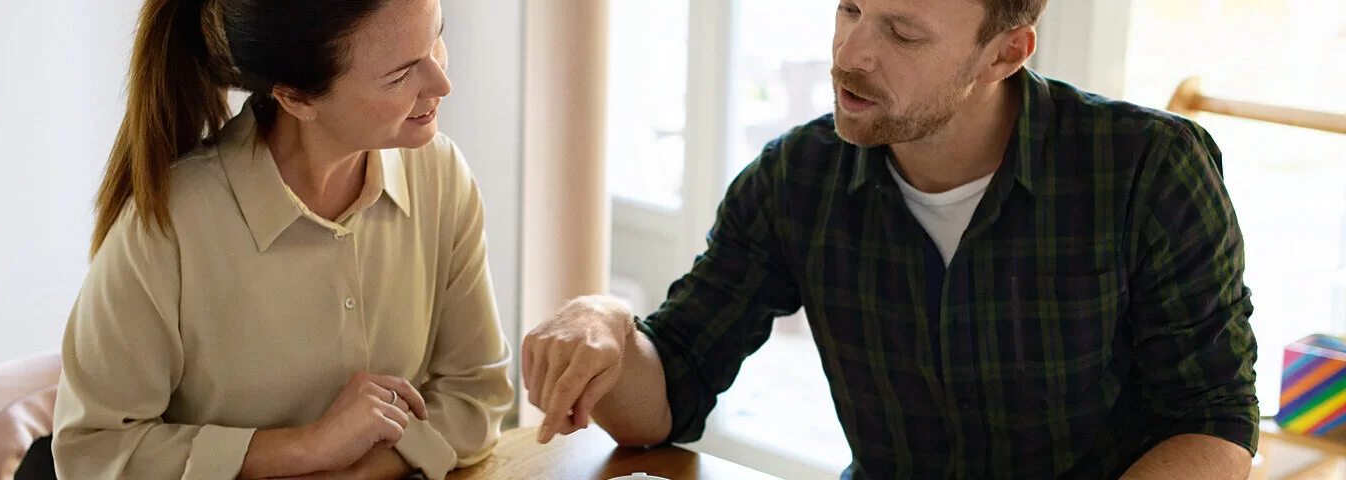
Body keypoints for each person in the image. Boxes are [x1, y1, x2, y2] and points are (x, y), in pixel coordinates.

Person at [522, 0, 1259, 478]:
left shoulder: (1148, 169)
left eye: (902, 32)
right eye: (849, 8)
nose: (851, 53)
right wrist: (607, 323)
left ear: (1006, 53)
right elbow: (666, 396)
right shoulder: (794, 179)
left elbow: (1213, 422)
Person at [51, 0, 513, 478]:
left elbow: (476, 394)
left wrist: (367, 466)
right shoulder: (168, 227)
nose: (442, 83)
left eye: (436, 35)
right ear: (297, 98)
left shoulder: (440, 175)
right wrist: (306, 447)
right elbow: (93, 451)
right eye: (400, 75)